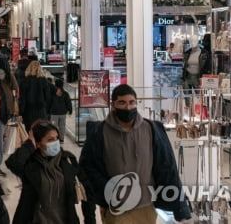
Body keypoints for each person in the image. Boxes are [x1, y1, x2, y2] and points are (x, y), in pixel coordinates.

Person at [80, 84, 191, 223]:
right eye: (122, 103)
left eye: (132, 102)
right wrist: (109, 190)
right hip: (116, 208)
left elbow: (167, 168)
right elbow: (87, 167)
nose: (128, 108)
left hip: (145, 206)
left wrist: (180, 209)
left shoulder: (151, 129)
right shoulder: (99, 132)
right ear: (113, 104)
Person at [6, 120, 96, 224]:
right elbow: (13, 163)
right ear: (38, 144)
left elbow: (88, 192)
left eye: (57, 138)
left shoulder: (68, 160)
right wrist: (29, 145)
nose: (56, 142)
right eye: (50, 140)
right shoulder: (31, 164)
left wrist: (90, 220)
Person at [18, 60, 52, 131]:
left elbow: (22, 99)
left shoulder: (24, 81)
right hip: (41, 111)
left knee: (30, 132)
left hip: (28, 111)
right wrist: (48, 111)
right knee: (41, 133)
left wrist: (20, 112)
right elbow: (48, 97)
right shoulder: (44, 81)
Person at [181, 34, 211, 108]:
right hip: (188, 77)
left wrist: (205, 76)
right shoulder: (187, 53)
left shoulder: (204, 53)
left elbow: (207, 66)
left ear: (198, 41)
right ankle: (189, 114)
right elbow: (185, 65)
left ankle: (201, 113)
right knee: (187, 99)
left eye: (194, 40)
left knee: (201, 98)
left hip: (198, 77)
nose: (192, 42)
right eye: (191, 41)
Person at [48, 78, 73, 144]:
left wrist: (48, 111)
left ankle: (54, 139)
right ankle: (61, 139)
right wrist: (70, 110)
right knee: (62, 127)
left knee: (53, 127)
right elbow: (68, 103)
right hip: (62, 113)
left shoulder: (52, 93)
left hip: (54, 113)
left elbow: (49, 102)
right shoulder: (65, 93)